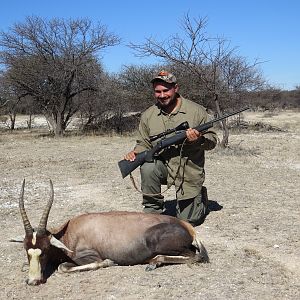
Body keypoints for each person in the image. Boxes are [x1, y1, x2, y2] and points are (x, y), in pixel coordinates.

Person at [124, 70, 218, 226]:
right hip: (163, 168)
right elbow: (143, 143)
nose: (162, 95)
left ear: (176, 88)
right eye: (157, 91)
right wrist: (135, 153)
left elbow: (212, 141)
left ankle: (200, 197)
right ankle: (152, 210)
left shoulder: (196, 111)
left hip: (188, 172)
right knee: (148, 166)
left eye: (166, 90)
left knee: (188, 222)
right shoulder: (148, 115)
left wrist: (198, 139)